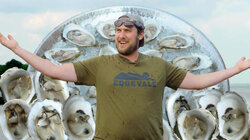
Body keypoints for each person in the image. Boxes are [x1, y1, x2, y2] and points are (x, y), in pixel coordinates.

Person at [0, 13, 250, 140]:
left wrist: (235, 70)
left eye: (127, 31)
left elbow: (197, 82)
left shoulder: (159, 66)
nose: (120, 35)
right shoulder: (100, 64)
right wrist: (18, 50)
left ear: (141, 35)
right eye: (118, 31)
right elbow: (54, 70)